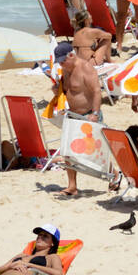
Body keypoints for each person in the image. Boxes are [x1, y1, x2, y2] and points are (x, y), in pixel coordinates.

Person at [56, 50, 102, 197]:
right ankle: (72, 186)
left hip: (88, 114)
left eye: (63, 61)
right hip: (72, 115)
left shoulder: (86, 68)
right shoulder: (66, 69)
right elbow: (66, 89)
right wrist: (56, 90)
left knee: (95, 152)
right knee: (69, 151)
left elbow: (96, 91)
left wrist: (94, 113)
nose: (61, 64)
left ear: (71, 55)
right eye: (60, 62)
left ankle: (114, 176)